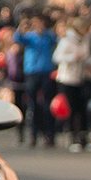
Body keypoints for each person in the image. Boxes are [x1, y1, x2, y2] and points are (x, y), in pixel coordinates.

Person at [14, 13, 58, 147]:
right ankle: (33, 135)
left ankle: (49, 134)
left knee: (47, 105)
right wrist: (22, 26)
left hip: (46, 72)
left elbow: (57, 40)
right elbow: (17, 38)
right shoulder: (29, 37)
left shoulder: (48, 36)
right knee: (32, 105)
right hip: (32, 72)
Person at [53, 17, 91, 152]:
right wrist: (72, 57)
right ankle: (72, 137)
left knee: (82, 108)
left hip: (80, 77)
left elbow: (86, 54)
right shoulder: (67, 40)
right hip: (67, 78)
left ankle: (83, 137)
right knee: (71, 109)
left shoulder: (85, 40)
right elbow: (57, 57)